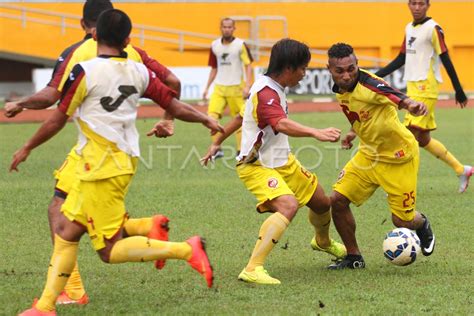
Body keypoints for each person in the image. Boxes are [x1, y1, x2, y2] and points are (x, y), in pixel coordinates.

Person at [15, 9, 221, 315]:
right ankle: (45, 306)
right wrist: (205, 118)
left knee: (109, 251)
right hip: (112, 164)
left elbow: (58, 119)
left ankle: (186, 249)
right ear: (127, 39)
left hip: (101, 170)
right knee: (67, 231)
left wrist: (28, 146)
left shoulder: (83, 71)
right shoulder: (139, 71)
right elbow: (173, 104)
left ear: (94, 34)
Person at [202, 39, 346, 285]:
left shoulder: (270, 85)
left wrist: (217, 142)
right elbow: (280, 124)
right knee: (288, 205)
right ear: (289, 68)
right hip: (256, 165)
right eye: (303, 68)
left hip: (282, 161)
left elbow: (240, 117)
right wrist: (315, 132)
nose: (304, 73)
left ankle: (322, 241)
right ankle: (252, 268)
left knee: (322, 202)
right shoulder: (266, 92)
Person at [326, 43, 435, 270]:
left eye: (351, 68)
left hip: (399, 157)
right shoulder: (340, 88)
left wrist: (411, 105)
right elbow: (362, 113)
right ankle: (353, 257)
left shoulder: (370, 84)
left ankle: (422, 223)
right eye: (340, 71)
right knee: (337, 201)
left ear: (357, 65)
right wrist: (352, 133)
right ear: (330, 69)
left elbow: (394, 96)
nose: (346, 75)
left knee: (402, 220)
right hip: (369, 154)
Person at [375, 0, 472, 193]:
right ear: (408, 5)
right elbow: (401, 58)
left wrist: (458, 88)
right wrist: (375, 76)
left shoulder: (433, 28)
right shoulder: (409, 27)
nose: (417, 7)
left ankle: (400, 184)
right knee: (423, 139)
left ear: (428, 5)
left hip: (426, 88)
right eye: (413, 3)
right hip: (413, 88)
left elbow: (445, 57)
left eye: (421, 3)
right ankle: (462, 169)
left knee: (406, 135)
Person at [202, 17, 253, 158]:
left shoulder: (240, 44)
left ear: (234, 28)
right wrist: (207, 87)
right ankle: (217, 149)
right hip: (219, 87)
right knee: (211, 118)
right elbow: (214, 68)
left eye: (230, 27)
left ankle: (240, 151)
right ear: (221, 28)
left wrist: (247, 85)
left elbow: (248, 65)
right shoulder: (214, 46)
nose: (227, 29)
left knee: (240, 120)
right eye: (224, 27)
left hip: (236, 87)